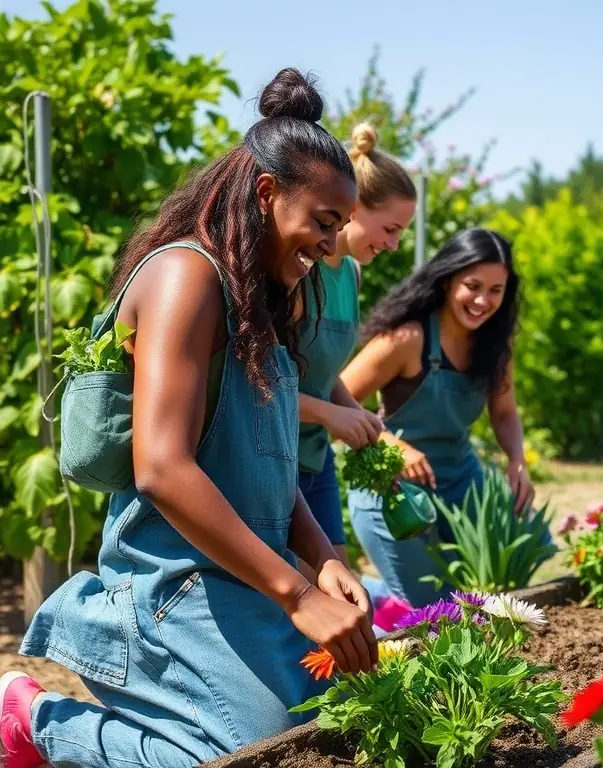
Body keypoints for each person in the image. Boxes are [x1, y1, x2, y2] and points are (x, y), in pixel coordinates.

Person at [3, 69, 378, 768]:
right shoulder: (187, 276)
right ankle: (37, 720)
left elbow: (264, 457)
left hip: (243, 575)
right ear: (267, 194)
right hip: (171, 584)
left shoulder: (262, 298)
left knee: (333, 731)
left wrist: (323, 556)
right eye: (324, 225)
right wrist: (296, 591)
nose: (332, 248)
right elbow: (162, 467)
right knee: (262, 757)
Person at [340, 228, 536, 607]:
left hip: (460, 481)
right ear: (447, 280)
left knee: (507, 574)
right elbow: (339, 399)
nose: (483, 300)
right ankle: (357, 593)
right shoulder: (407, 338)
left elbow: (505, 411)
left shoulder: (495, 345)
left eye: (496, 291)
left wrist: (518, 460)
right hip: (395, 492)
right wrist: (392, 444)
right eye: (473, 286)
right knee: (433, 610)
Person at [296, 121, 416, 568]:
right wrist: (332, 414)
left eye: (402, 232)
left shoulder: (351, 274)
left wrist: (359, 415)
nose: (394, 243)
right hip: (275, 457)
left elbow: (322, 376)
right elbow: (261, 388)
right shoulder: (299, 270)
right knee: (306, 597)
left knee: (342, 586)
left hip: (316, 453)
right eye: (389, 228)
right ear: (353, 207)